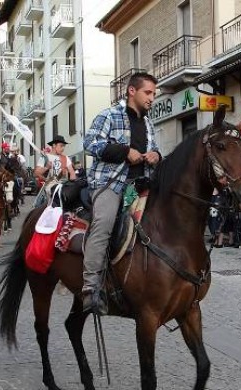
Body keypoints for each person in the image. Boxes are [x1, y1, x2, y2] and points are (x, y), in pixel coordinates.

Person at [82, 72, 161, 313]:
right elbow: (89, 144)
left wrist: (155, 155)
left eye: (154, 94)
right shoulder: (109, 115)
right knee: (104, 224)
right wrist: (125, 151)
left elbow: (155, 148)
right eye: (148, 92)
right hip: (111, 184)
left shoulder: (148, 123)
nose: (152, 98)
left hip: (141, 185)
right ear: (132, 91)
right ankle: (91, 287)